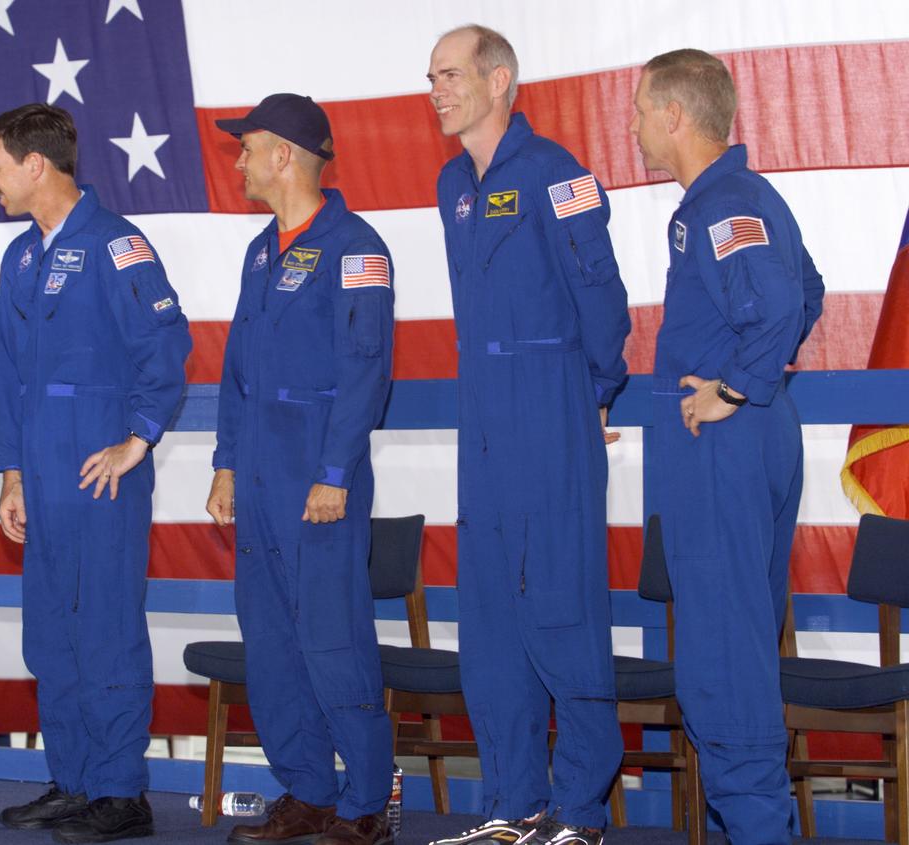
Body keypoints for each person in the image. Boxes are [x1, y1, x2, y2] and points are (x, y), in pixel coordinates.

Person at [426, 26, 631, 845]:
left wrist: (591, 395)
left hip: (550, 410)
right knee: (490, 620)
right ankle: (513, 804)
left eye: (450, 74)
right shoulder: (452, 184)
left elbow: (602, 297)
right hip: (482, 416)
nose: (437, 90)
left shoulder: (558, 173)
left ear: (499, 79)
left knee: (560, 606)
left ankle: (580, 808)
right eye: (432, 77)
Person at [630, 49, 824, 843]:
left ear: (675, 116)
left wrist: (735, 387)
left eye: (641, 108)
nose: (634, 125)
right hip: (753, 437)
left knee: (722, 661)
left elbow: (779, 303)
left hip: (725, 447)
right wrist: (750, 385)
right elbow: (807, 290)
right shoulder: (748, 198)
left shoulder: (721, 205)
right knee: (739, 647)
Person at [0, 103, 191, 844]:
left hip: (100, 477)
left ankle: (119, 790)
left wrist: (139, 438)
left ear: (35, 164)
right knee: (51, 634)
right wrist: (11, 474)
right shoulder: (20, 257)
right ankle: (73, 780)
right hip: (41, 477)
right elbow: (10, 376)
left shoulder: (116, 244)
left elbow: (166, 345)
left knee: (105, 629)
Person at [206, 93, 396, 845]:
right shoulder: (261, 251)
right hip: (258, 476)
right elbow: (237, 371)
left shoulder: (356, 247)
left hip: (317, 478)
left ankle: (367, 803)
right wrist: (225, 462)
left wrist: (335, 471)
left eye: (247, 147)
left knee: (332, 639)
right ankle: (308, 791)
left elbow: (366, 370)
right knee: (272, 645)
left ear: (284, 155)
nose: (240, 161)